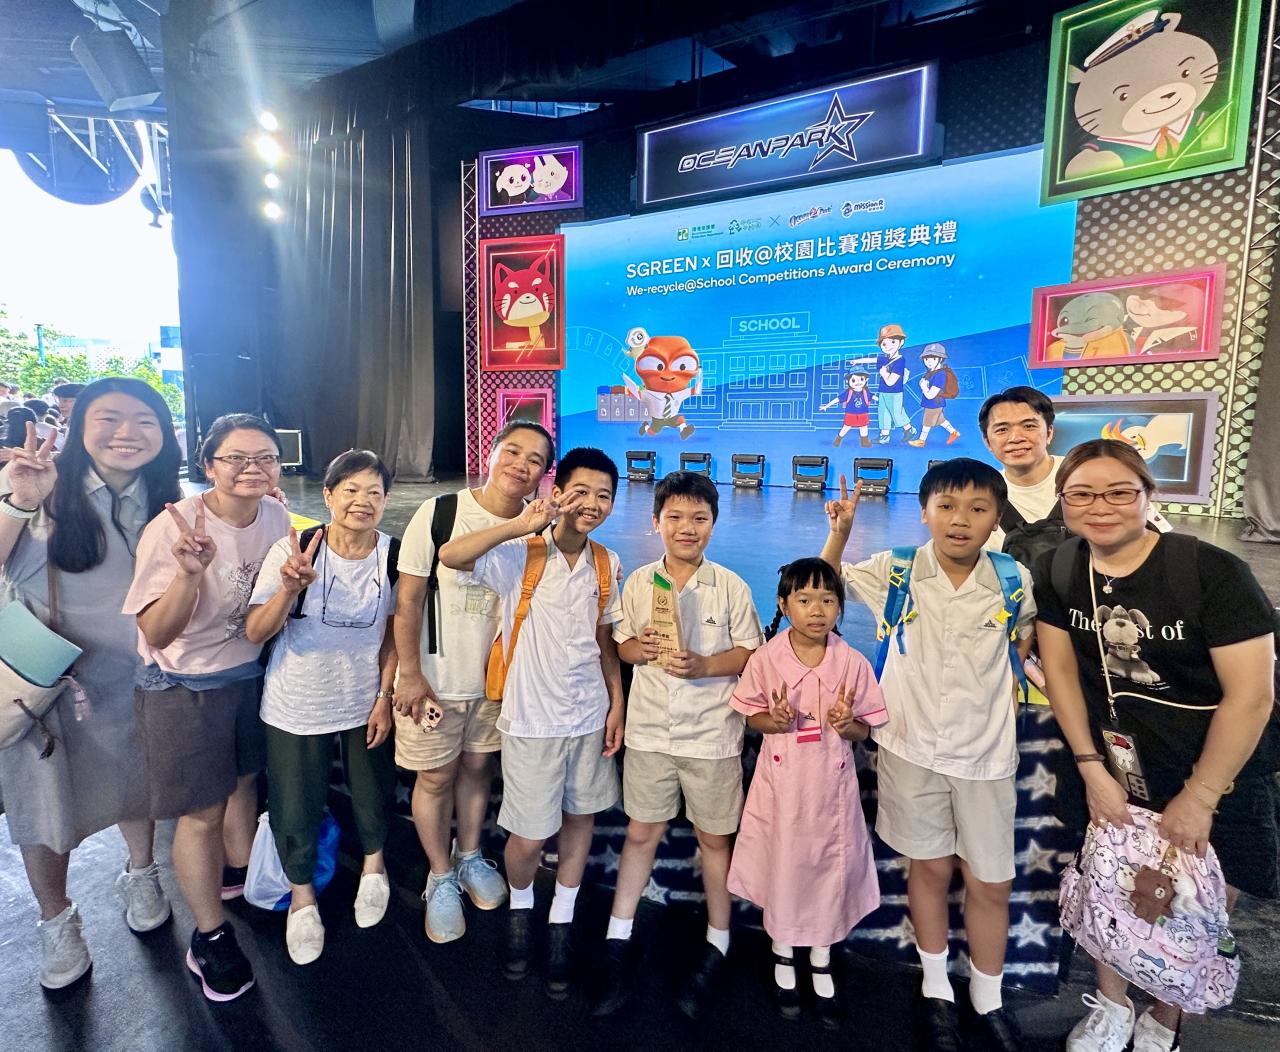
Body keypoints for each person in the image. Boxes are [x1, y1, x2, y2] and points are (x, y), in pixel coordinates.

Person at [1032, 439, 1279, 1052]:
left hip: (1212, 764)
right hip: (1114, 761)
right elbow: (1060, 671)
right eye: (1082, 494)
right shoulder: (1060, 569)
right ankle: (1112, 1005)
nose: (1101, 506)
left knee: (1193, 896)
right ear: (1063, 501)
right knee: (1109, 884)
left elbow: (1251, 696)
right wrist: (1090, 767)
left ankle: (1166, 1013)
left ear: (1149, 496)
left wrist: (1201, 795)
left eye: (1120, 492)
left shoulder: (1212, 573)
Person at [821, 461, 1035, 1052]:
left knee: (991, 881)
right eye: (946, 506)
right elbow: (821, 587)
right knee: (930, 870)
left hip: (985, 754)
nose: (960, 520)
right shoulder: (896, 570)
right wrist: (839, 533)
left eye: (977, 509)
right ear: (925, 512)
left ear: (996, 518)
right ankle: (937, 988)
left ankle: (988, 999)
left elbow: (1025, 639)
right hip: (910, 747)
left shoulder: (1013, 579)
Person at [0, 379, 182, 990]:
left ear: (164, 436)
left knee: (137, 783)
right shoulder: (37, 483)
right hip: (50, 683)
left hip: (136, 678)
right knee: (44, 808)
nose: (127, 433)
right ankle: (56, 920)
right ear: (78, 427)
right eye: (109, 418)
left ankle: (141, 871)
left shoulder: (167, 500)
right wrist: (19, 502)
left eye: (145, 420)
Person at [439, 447, 624, 1000]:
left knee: (580, 816)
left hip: (587, 715)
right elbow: (451, 555)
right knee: (529, 832)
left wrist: (616, 703)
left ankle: (561, 916)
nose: (592, 504)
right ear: (558, 492)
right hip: (531, 720)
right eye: (581, 491)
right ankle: (521, 908)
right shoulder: (522, 553)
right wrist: (522, 524)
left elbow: (605, 642)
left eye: (604, 496)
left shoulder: (607, 563)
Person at [123, 413, 291, 1002]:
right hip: (184, 682)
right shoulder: (172, 529)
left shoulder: (275, 515)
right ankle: (209, 938)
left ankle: (236, 878)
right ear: (208, 465)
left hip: (247, 673)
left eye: (265, 457)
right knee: (202, 813)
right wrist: (189, 576)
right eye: (235, 458)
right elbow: (157, 633)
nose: (252, 468)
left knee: (243, 781)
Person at [592, 471, 762, 1020]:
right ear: (656, 522)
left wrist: (706, 665)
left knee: (715, 840)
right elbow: (621, 642)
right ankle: (618, 935)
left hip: (713, 736)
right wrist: (637, 649)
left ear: (714, 523)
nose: (687, 528)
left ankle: (719, 940)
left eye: (699, 518)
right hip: (650, 733)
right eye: (676, 518)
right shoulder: (639, 582)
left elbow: (749, 653)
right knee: (641, 832)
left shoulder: (730, 586)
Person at [391, 420, 554, 944]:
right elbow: (408, 599)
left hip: (496, 686)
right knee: (436, 777)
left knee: (479, 769)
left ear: (543, 475)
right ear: (491, 453)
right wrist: (409, 673)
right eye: (513, 451)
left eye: (534, 459)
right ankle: (440, 876)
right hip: (436, 682)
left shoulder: (543, 530)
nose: (521, 465)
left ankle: (468, 855)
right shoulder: (440, 512)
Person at [245, 450, 400, 965]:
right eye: (350, 490)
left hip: (364, 699)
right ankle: (302, 897)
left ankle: (375, 867)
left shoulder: (393, 556)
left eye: (374, 492)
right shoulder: (294, 550)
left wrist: (384, 696)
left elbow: (395, 636)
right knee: (294, 801)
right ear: (328, 495)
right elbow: (255, 632)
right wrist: (288, 590)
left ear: (386, 500)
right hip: (296, 699)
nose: (362, 501)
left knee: (373, 790)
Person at [727, 557, 887, 1027]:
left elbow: (864, 731)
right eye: (804, 599)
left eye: (828, 600)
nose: (817, 610)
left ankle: (821, 956)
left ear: (840, 607)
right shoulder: (765, 659)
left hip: (831, 792)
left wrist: (847, 723)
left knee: (826, 871)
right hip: (781, 789)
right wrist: (772, 722)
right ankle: (781, 950)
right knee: (784, 865)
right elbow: (751, 715)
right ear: (784, 605)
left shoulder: (852, 663)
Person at [980, 386, 1171, 552]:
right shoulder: (982, 496)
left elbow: (1157, 540)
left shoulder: (1090, 474)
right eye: (1002, 429)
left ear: (1049, 432)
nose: (1016, 438)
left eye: (1029, 426)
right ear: (987, 442)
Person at [906, 343, 960, 448]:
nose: (929, 362)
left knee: (926, 422)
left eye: (933, 359)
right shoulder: (931, 372)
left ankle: (921, 441)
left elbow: (930, 395)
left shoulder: (940, 375)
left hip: (934, 403)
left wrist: (923, 387)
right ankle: (954, 432)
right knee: (941, 420)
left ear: (940, 359)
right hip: (933, 403)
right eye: (926, 359)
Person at [873, 323, 916, 444]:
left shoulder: (899, 361)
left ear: (901, 342)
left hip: (895, 392)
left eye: (893, 342)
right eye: (884, 344)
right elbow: (873, 359)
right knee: (883, 413)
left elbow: (891, 382)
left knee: (897, 413)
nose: (888, 346)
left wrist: (884, 373)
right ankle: (884, 436)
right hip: (883, 391)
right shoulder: (885, 359)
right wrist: (857, 361)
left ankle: (909, 429)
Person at [820, 372, 874, 448]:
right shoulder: (848, 393)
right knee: (846, 427)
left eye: (861, 379)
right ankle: (838, 439)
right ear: (847, 381)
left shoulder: (866, 393)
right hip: (850, 413)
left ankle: (864, 442)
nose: (858, 382)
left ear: (866, 380)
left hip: (863, 413)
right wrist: (826, 406)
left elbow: (874, 397)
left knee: (864, 427)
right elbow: (837, 399)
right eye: (853, 380)